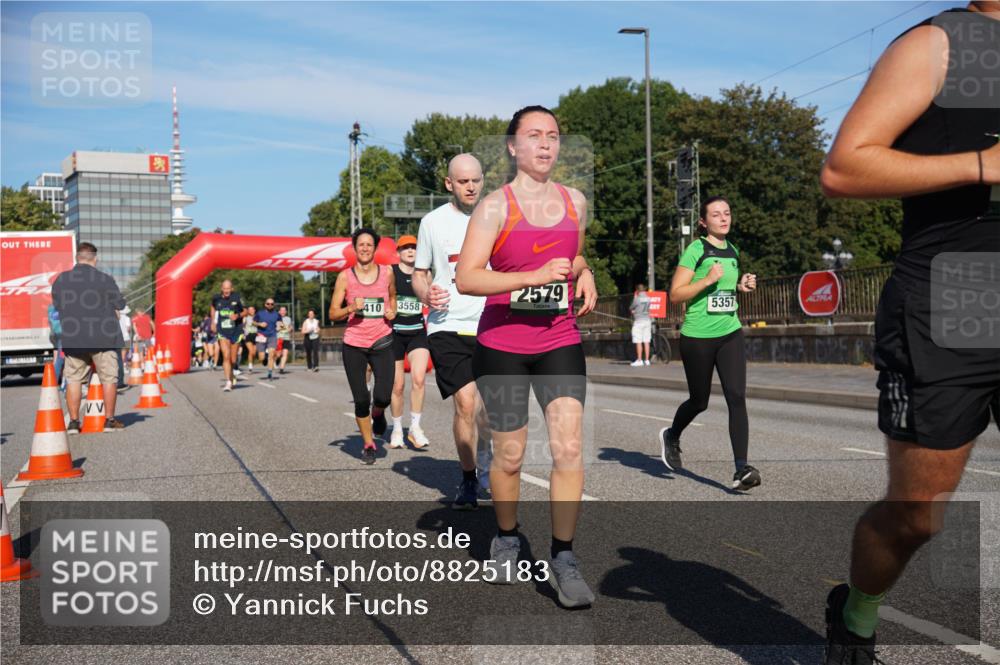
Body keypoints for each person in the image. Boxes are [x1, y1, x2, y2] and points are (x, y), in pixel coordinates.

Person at [818, 3, 999, 662]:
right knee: (917, 515)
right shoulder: (943, 43)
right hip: (953, 297)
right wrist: (983, 164)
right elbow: (845, 167)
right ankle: (856, 616)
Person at [456, 105, 598, 606]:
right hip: (503, 345)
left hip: (559, 337)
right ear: (513, 146)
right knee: (511, 455)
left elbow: (571, 254)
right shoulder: (494, 207)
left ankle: (564, 557)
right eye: (534, 135)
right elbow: (467, 277)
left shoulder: (575, 201)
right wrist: (532, 277)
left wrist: (584, 271)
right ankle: (506, 538)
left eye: (553, 136)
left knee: (569, 448)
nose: (545, 144)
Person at [659, 197, 759, 491]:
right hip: (698, 337)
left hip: (730, 332)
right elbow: (675, 294)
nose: (724, 218)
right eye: (716, 215)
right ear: (703, 222)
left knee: (736, 397)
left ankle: (742, 469)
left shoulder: (733, 250)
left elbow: (724, 290)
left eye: (727, 213)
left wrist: (740, 286)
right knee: (699, 401)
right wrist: (706, 280)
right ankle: (672, 435)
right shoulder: (696, 250)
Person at [412, 154, 494, 507]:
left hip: (492, 323)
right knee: (466, 402)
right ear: (449, 184)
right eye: (463, 181)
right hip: (448, 324)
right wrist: (425, 293)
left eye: (475, 180)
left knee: (490, 411)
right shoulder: (432, 222)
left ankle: (487, 465)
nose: (471, 187)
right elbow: (419, 274)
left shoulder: (498, 218)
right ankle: (468, 479)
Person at [330, 227, 396, 465]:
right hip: (354, 344)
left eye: (369, 244)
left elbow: (393, 297)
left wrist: (392, 311)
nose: (365, 248)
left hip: (382, 341)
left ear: (375, 248)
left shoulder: (387, 272)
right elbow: (333, 313)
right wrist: (351, 308)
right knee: (360, 399)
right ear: (355, 248)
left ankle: (378, 413)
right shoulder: (344, 277)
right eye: (361, 245)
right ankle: (369, 445)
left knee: (383, 396)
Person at [51, 242, 126, 432]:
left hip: (74, 338)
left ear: (77, 258)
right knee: (109, 378)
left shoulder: (61, 280)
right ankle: (109, 420)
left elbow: (58, 306)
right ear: (95, 259)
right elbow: (120, 304)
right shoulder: (105, 279)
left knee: (74, 379)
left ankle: (74, 422)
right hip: (103, 338)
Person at [389, 235, 432, 450]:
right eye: (405, 248)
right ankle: (397, 429)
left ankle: (415, 427)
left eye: (414, 247)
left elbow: (432, 299)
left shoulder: (425, 274)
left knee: (419, 379)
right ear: (398, 252)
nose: (410, 251)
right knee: (398, 386)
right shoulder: (390, 272)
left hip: (417, 332)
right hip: (395, 333)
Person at [209, 279, 245, 392]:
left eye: (228, 288)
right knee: (226, 356)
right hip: (222, 331)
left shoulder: (237, 297)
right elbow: (213, 307)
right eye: (224, 288)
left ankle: (232, 375)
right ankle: (228, 382)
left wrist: (237, 316)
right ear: (221, 289)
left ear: (232, 289)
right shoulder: (216, 298)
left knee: (233, 360)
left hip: (236, 330)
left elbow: (246, 311)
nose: (226, 291)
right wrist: (213, 321)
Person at [254, 299, 281, 381]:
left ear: (274, 305)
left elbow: (280, 323)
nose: (270, 305)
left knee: (272, 354)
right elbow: (253, 322)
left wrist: (280, 327)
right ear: (265, 304)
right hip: (261, 336)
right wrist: (260, 324)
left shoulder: (277, 314)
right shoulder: (260, 313)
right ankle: (264, 358)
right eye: (268, 303)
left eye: (272, 304)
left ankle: (270, 373)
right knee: (261, 357)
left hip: (272, 336)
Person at [630, 284, 652, 367]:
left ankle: (639, 360)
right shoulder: (649, 299)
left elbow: (631, 307)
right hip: (647, 320)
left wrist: (634, 311)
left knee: (638, 341)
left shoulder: (637, 299)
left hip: (639, 321)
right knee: (646, 341)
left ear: (638, 290)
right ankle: (647, 360)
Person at [47, 303, 64, 391]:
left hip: (55, 336)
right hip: (63, 336)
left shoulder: (50, 307)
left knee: (57, 359)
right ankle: (55, 383)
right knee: (61, 360)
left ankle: (53, 382)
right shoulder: (63, 306)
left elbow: (50, 323)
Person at [116, 306, 132, 393]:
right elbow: (128, 329)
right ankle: (123, 369)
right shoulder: (127, 318)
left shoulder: (114, 315)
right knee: (122, 356)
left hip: (117, 337)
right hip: (126, 338)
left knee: (117, 357)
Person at [276, 305, 292, 374]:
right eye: (281, 310)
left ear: (286, 312)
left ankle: (281, 369)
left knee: (285, 353)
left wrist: (290, 329)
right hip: (278, 338)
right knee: (279, 354)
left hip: (286, 338)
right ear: (279, 311)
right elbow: (276, 328)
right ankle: (277, 359)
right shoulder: (276, 318)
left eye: (284, 310)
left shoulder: (288, 318)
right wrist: (280, 328)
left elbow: (290, 327)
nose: (283, 312)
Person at [242, 306, 258, 373]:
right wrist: (243, 333)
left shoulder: (258, 317)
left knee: (254, 353)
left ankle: (251, 362)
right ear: (248, 311)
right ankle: (250, 366)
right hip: (248, 335)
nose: (251, 311)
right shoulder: (246, 318)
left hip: (256, 335)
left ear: (254, 310)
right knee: (251, 351)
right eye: (249, 310)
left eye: (252, 309)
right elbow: (242, 326)